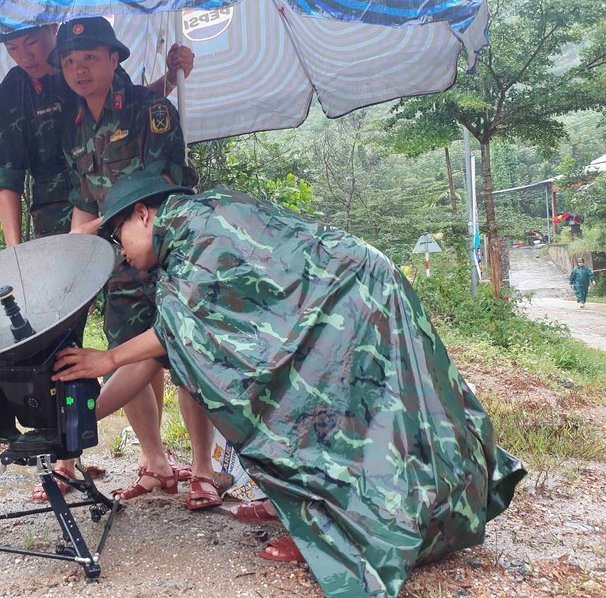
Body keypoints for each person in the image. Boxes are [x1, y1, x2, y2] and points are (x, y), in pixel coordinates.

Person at [52, 170, 526, 598]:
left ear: (143, 213)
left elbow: (177, 329)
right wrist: (72, 424)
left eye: (119, 235)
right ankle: (300, 511)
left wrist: (107, 357)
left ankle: (331, 528)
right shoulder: (183, 241)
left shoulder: (199, 228)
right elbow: (165, 347)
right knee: (308, 405)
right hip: (340, 297)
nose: (122, 252)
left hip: (351, 297)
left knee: (324, 414)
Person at [0, 22, 196, 501]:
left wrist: (170, 78)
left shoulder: (120, 90)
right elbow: (14, 176)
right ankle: (84, 453)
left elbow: (144, 134)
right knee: (89, 341)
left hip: (142, 232)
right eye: (13, 48)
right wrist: (26, 250)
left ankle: (180, 461)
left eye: (32, 43)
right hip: (79, 236)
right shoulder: (22, 101)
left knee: (171, 346)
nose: (25, 55)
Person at [51, 17, 222, 510]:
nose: (79, 69)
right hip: (116, 260)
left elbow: (165, 186)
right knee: (126, 350)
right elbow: (82, 200)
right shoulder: (73, 128)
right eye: (69, 61)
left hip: (162, 252)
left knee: (185, 355)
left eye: (89, 58)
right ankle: (156, 462)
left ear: (114, 58)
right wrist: (77, 253)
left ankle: (204, 468)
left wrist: (99, 226)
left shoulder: (153, 109)